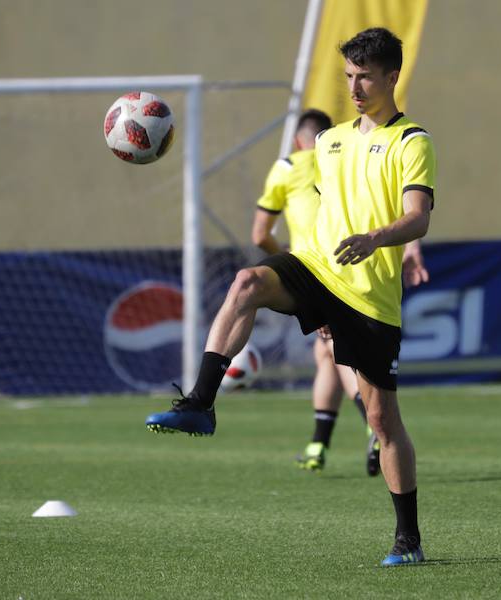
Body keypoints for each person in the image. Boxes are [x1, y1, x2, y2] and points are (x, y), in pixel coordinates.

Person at [145, 26, 435, 567]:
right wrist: (313, 298)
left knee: (382, 423)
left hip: (370, 297)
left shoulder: (412, 141)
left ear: (392, 76)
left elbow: (416, 217)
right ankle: (201, 402)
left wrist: (376, 239)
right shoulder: (329, 141)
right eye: (348, 75)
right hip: (318, 269)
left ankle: (408, 538)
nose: (353, 87)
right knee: (245, 283)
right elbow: (326, 212)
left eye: (364, 76)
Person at [251, 108, 394, 475]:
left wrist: (284, 262)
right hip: (357, 263)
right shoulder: (346, 157)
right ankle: (318, 445)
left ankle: (372, 426)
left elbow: (259, 235)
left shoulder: (287, 165)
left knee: (337, 351)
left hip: (315, 270)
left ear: (300, 140)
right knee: (327, 355)